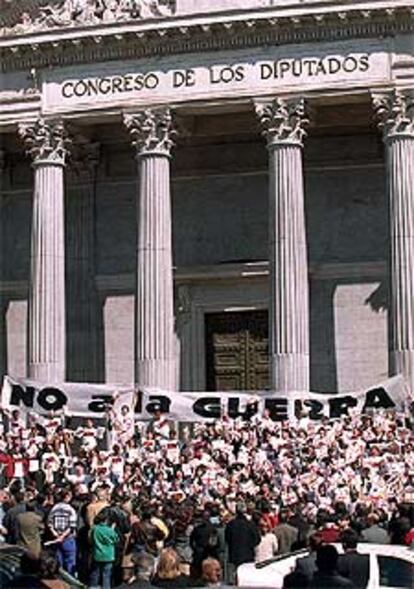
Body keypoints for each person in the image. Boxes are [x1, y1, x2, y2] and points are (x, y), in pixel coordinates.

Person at [225, 502, 260, 582]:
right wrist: (250, 545)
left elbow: (227, 539)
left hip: (235, 554)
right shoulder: (251, 524)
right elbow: (257, 539)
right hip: (248, 555)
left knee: (237, 576)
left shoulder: (231, 524)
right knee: (247, 577)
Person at [47, 489, 77, 576]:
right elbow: (71, 526)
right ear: (66, 497)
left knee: (59, 561)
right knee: (70, 562)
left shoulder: (54, 508)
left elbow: (50, 523)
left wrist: (55, 534)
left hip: (56, 537)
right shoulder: (70, 509)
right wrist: (63, 536)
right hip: (68, 538)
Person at [89, 508, 119, 589]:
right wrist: (112, 529)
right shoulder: (110, 530)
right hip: (108, 555)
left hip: (97, 554)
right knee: (106, 575)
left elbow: (90, 540)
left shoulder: (95, 529)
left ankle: (93, 587)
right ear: (106, 520)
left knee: (95, 573)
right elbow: (116, 539)